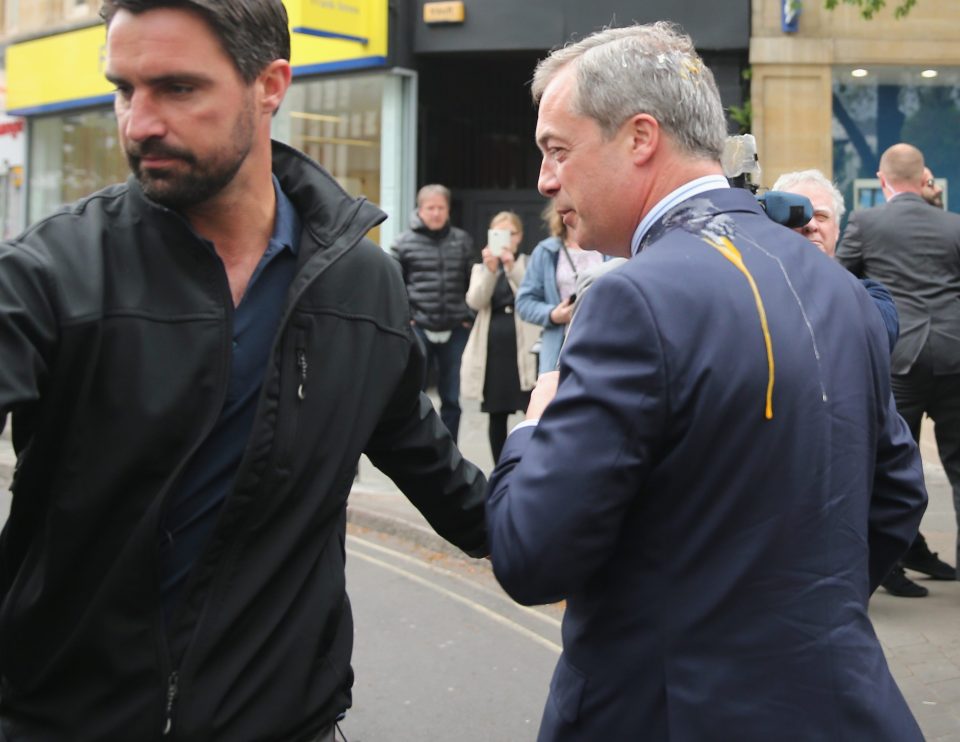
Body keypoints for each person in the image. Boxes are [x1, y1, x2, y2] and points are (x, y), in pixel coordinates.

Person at [0, 2, 487, 740]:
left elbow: (456, 494)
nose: (139, 124)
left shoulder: (362, 288)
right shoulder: (53, 272)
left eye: (178, 88)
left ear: (271, 85)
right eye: (125, 89)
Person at [486, 22, 927, 741]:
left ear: (639, 137)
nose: (544, 179)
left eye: (556, 149)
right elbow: (896, 494)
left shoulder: (630, 301)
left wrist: (536, 423)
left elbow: (531, 553)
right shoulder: (839, 287)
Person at [837, 142, 960, 591]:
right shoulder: (953, 224)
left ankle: (892, 566)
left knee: (890, 463)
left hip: (899, 357)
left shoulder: (866, 222)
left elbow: (841, 279)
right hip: (954, 354)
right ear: (924, 177)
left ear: (881, 178)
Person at [771, 169, 899, 352]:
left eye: (821, 217)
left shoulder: (873, 297)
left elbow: (877, 338)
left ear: (837, 230)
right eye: (798, 215)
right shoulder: (756, 292)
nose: (811, 225)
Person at [391, 184, 474, 442]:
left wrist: (467, 315)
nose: (436, 213)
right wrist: (408, 318)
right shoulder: (402, 243)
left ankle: (450, 452)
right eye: (431, 208)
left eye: (441, 208)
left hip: (455, 327)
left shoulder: (462, 241)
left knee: (452, 397)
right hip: (419, 327)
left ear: (448, 210)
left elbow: (474, 280)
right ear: (420, 209)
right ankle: (419, 447)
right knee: (415, 394)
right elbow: (394, 286)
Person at [461, 211, 539, 460]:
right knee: (497, 413)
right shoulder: (481, 268)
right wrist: (490, 271)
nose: (506, 240)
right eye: (499, 234)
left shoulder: (528, 264)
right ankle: (500, 467)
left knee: (531, 408)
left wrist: (510, 266)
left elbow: (531, 294)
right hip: (494, 347)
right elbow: (475, 301)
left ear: (519, 237)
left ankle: (530, 463)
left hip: (524, 346)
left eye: (511, 234)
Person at [516, 201, 606, 373]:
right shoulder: (546, 251)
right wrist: (553, 314)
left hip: (600, 345)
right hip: (559, 346)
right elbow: (524, 302)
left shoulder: (610, 247)